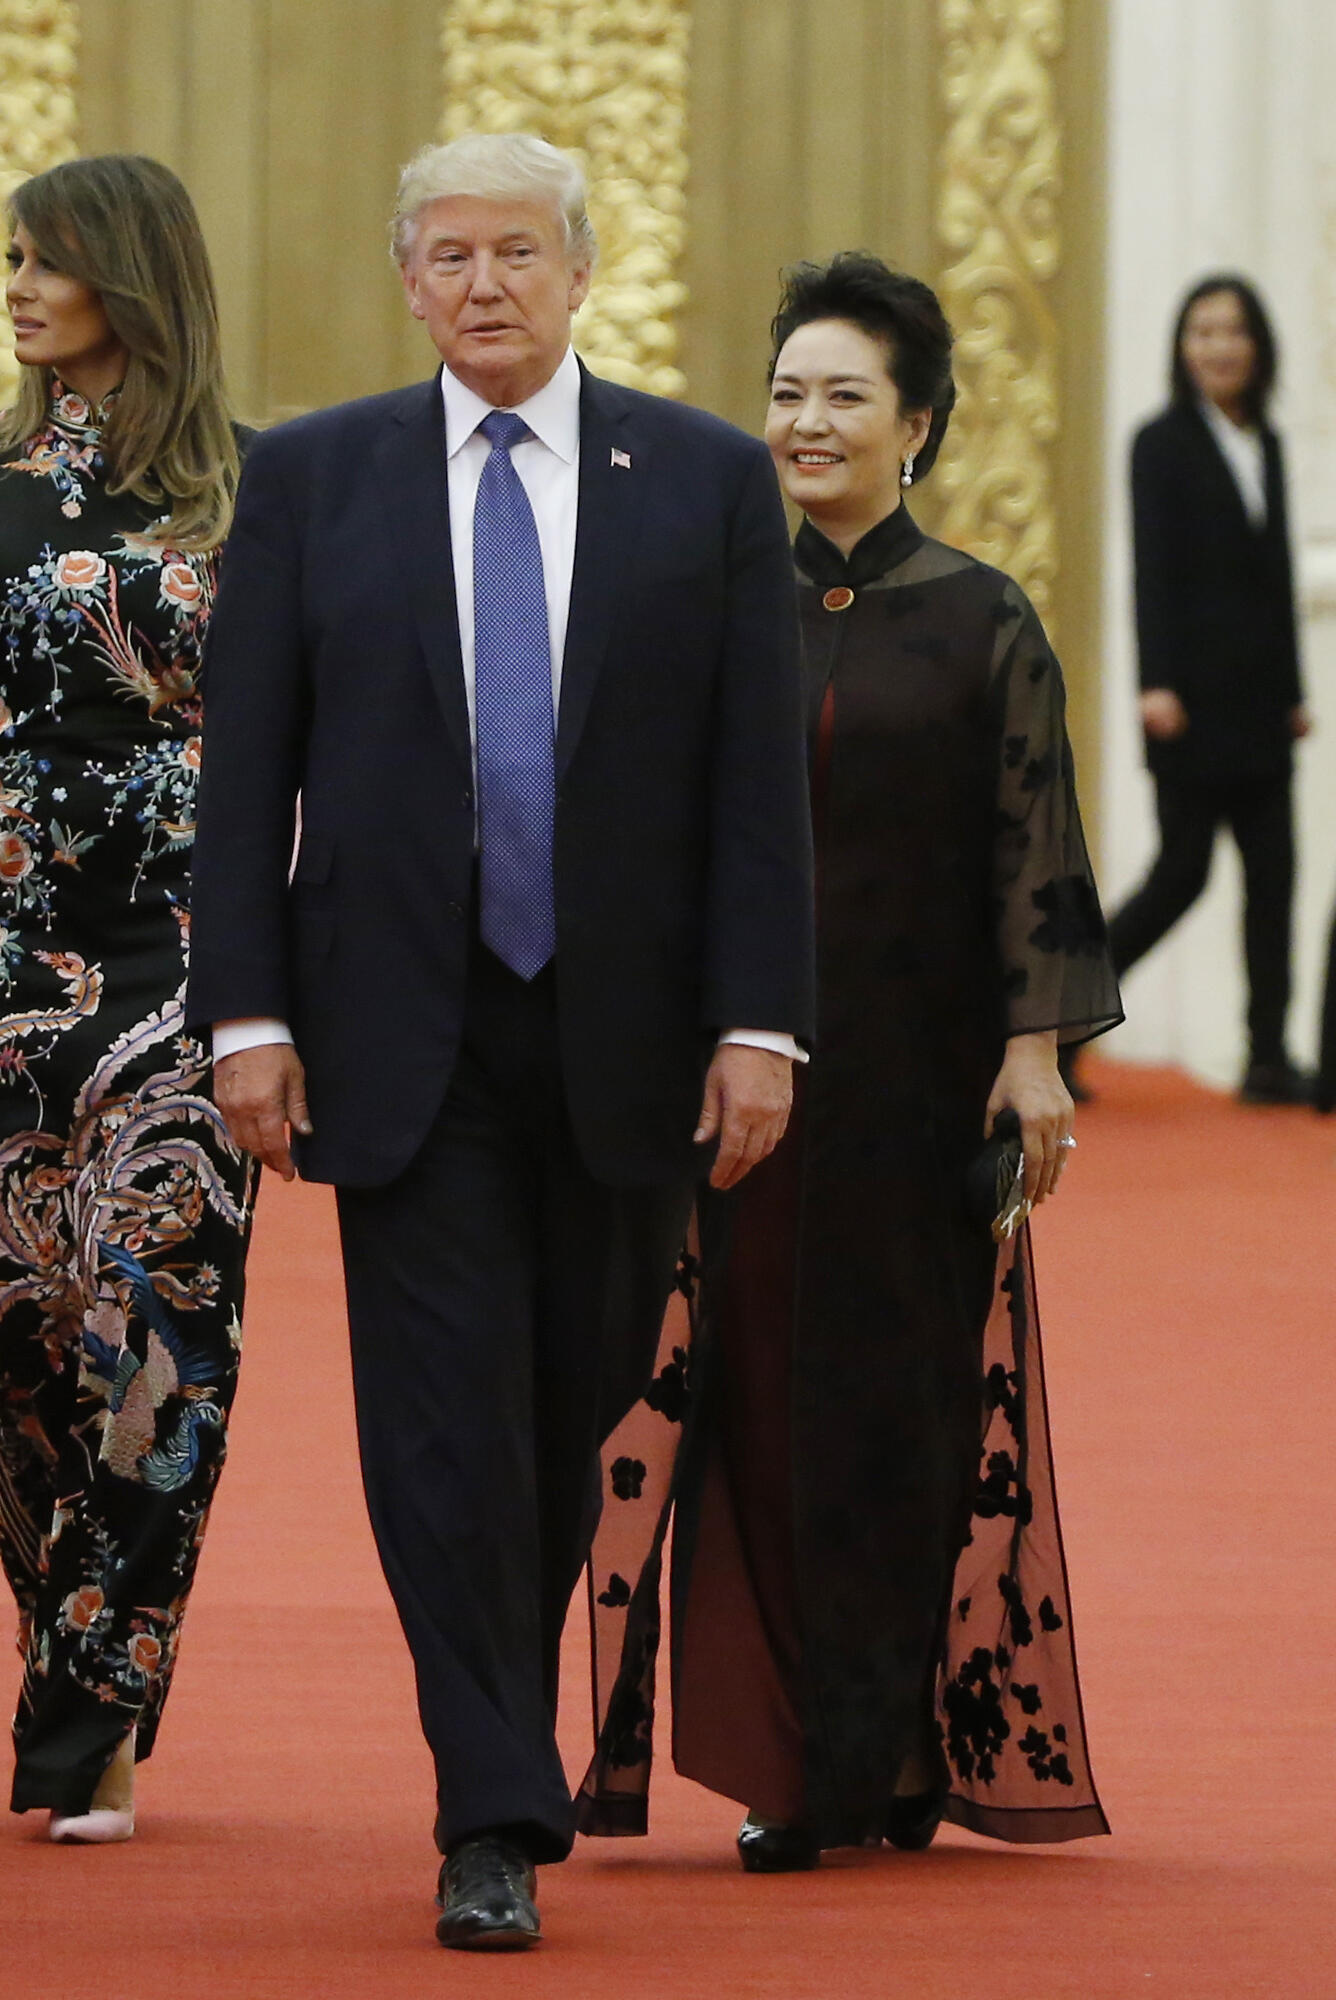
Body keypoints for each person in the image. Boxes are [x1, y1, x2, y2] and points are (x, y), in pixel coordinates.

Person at [186, 132, 813, 1951]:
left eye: (516, 253)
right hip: (399, 1030)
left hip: (627, 1035)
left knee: (569, 1395)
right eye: (448, 255)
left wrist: (761, 1024)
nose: (482, 285)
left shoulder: (700, 482)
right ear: (406, 279)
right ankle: (491, 1797)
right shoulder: (314, 479)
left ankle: (498, 1730)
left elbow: (755, 790)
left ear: (581, 270)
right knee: (441, 1418)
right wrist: (248, 1015)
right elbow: (248, 781)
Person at [632, 255, 1119, 1873]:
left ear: (916, 424)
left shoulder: (983, 616)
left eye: (844, 395)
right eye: (785, 393)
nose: (807, 421)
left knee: (902, 1410)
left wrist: (1036, 1055)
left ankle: (896, 1733)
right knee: (758, 1402)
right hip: (751, 1085)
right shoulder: (720, 608)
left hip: (923, 1090)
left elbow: (1032, 848)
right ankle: (796, 1760)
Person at [0, 154, 254, 1844]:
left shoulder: (256, 488)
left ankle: (109, 1685)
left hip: (193, 958)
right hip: (6, 964)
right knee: (28, 1341)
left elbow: (299, 740)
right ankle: (58, 1643)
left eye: (50, 261)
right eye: (11, 260)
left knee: (166, 1330)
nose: (19, 288)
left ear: (134, 275)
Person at [1101, 275, 1309, 1105]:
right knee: (1181, 874)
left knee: (1276, 879)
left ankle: (1266, 1056)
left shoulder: (1269, 441)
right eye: (1202, 333)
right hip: (1186, 704)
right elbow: (1153, 570)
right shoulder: (1160, 442)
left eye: (1233, 332)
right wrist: (1154, 683)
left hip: (1262, 706)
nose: (1219, 347)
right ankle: (1060, 1024)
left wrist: (1295, 689)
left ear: (1257, 346)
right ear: (1182, 350)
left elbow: (1277, 577)